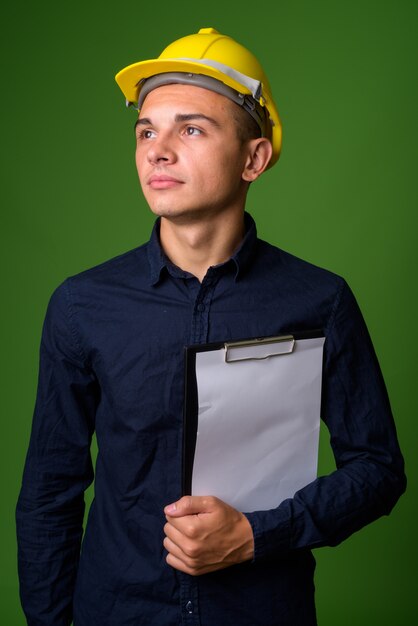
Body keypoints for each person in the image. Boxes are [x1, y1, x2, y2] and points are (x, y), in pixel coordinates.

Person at [16, 27, 406, 626]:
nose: (157, 149)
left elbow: (378, 471)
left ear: (254, 158)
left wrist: (257, 535)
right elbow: (49, 495)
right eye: (147, 130)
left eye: (191, 128)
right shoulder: (81, 305)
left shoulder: (320, 301)